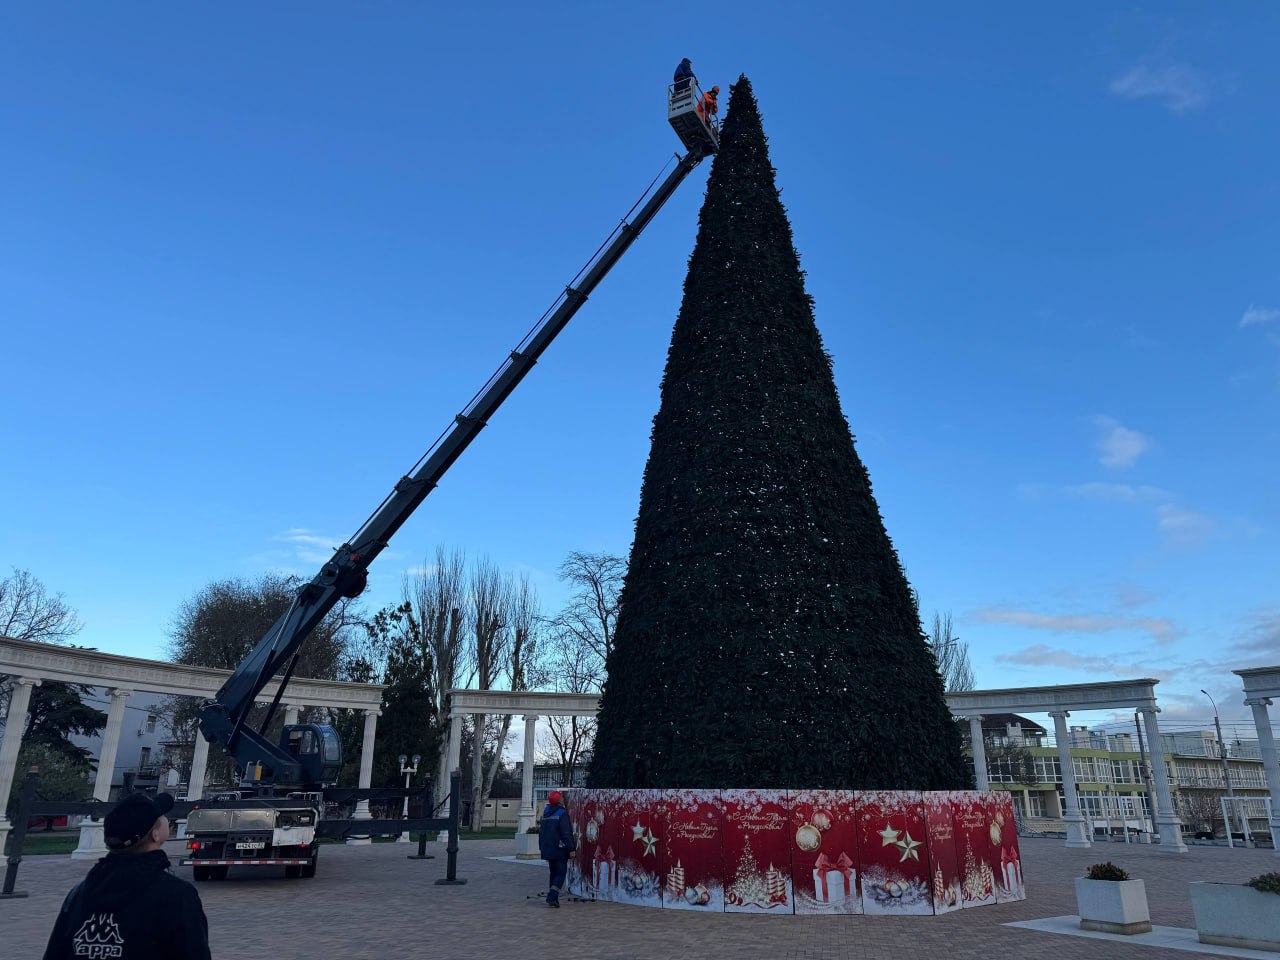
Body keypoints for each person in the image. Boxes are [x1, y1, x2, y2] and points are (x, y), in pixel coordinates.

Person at [43, 792, 211, 960]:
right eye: (162, 816)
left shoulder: (79, 895)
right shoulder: (177, 897)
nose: (167, 819)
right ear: (155, 835)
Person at [537, 790, 576, 908]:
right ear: (559, 800)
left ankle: (553, 898)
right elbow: (566, 833)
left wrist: (542, 848)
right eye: (562, 798)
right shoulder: (562, 813)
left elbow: (541, 833)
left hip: (548, 849)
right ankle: (552, 896)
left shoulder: (546, 813)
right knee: (560, 873)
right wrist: (571, 848)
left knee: (553, 873)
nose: (563, 800)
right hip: (559, 849)